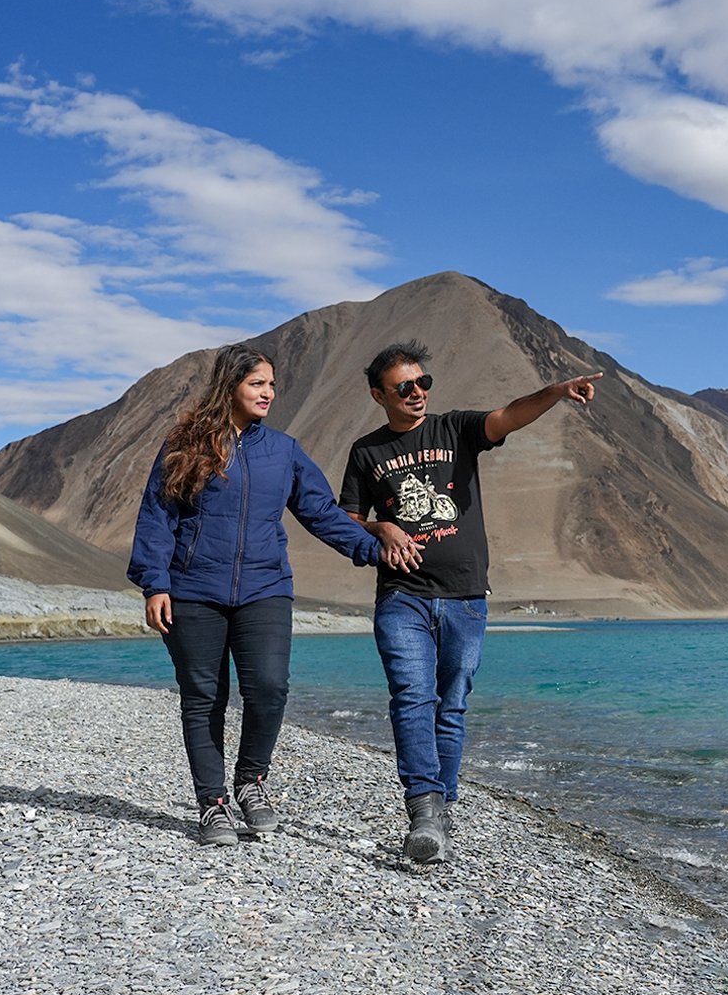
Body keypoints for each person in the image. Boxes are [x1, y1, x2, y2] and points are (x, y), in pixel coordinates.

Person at [128, 343, 419, 846]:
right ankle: (211, 803)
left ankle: (250, 780)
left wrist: (374, 549)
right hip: (193, 589)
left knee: (269, 688)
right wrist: (155, 583)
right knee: (204, 697)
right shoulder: (187, 443)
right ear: (231, 386)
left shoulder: (283, 450)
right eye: (257, 383)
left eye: (271, 383)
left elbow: (322, 514)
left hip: (265, 587)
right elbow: (158, 514)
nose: (268, 392)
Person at [338, 340, 602, 863]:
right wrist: (379, 527)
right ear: (378, 395)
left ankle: (443, 808)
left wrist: (555, 391)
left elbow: (508, 417)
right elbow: (345, 521)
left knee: (451, 705)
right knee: (413, 696)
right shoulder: (366, 451)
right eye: (403, 387)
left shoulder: (454, 428)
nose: (416, 393)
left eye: (422, 383)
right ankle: (423, 809)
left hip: (464, 596)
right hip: (402, 595)